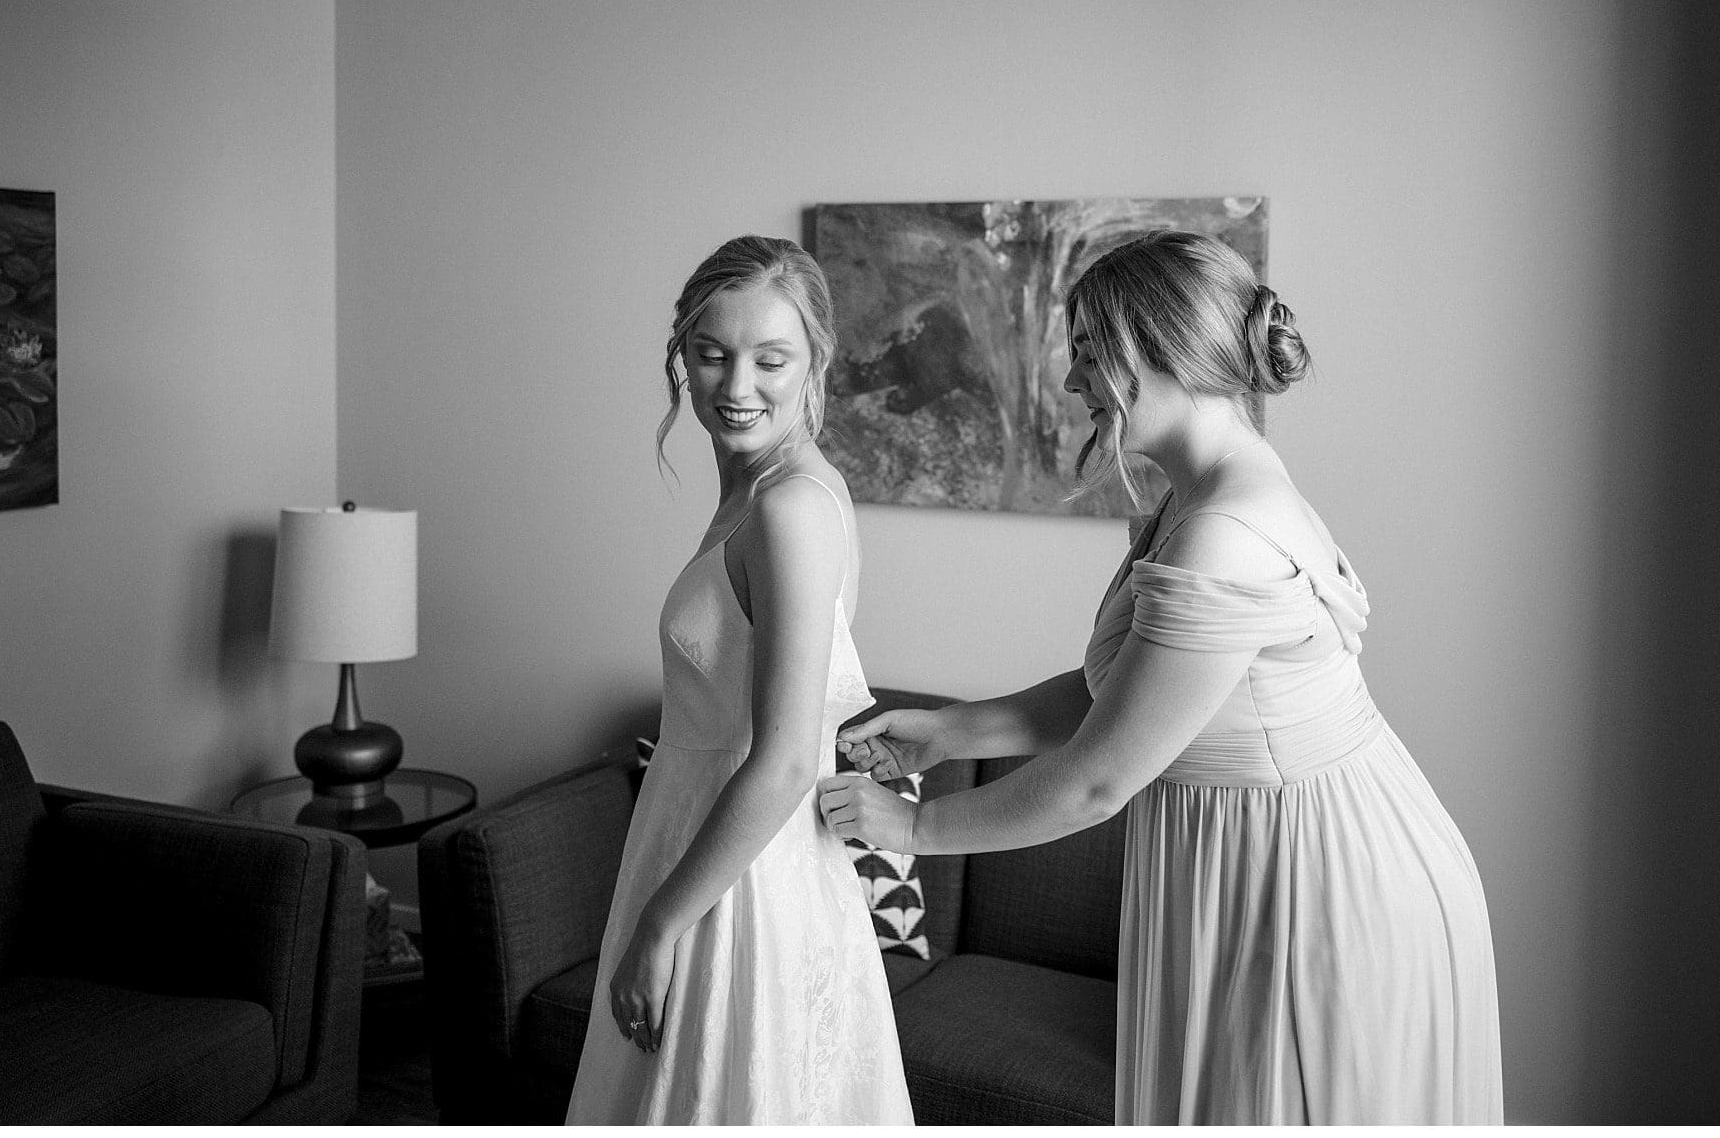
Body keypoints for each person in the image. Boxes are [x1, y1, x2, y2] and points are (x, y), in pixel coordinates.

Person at [817, 230, 1501, 1125]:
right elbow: (1130, 692)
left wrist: (915, 826)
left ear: (1164, 349)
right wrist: (949, 730)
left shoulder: (1227, 531)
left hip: (1314, 887)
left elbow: (1099, 779)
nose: (1071, 382)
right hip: (1264, 856)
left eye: (1091, 355)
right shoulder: (1199, 494)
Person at [566, 235, 914, 1125]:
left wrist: (660, 923)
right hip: (703, 845)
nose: (735, 385)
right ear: (682, 350)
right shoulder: (759, 491)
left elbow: (787, 761)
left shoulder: (792, 506)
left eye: (770, 358)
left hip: (743, 883)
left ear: (815, 361)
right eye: (712, 353)